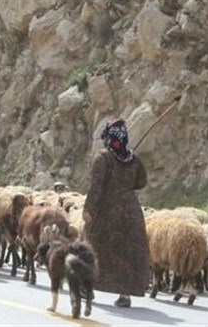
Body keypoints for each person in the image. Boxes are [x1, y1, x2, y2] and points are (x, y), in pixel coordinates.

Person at [82, 118, 150, 308]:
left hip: (107, 211)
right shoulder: (134, 159)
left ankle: (88, 288)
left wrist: (88, 209)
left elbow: (96, 187)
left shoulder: (103, 158)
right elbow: (141, 183)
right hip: (131, 211)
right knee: (126, 252)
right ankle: (125, 294)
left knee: (95, 247)